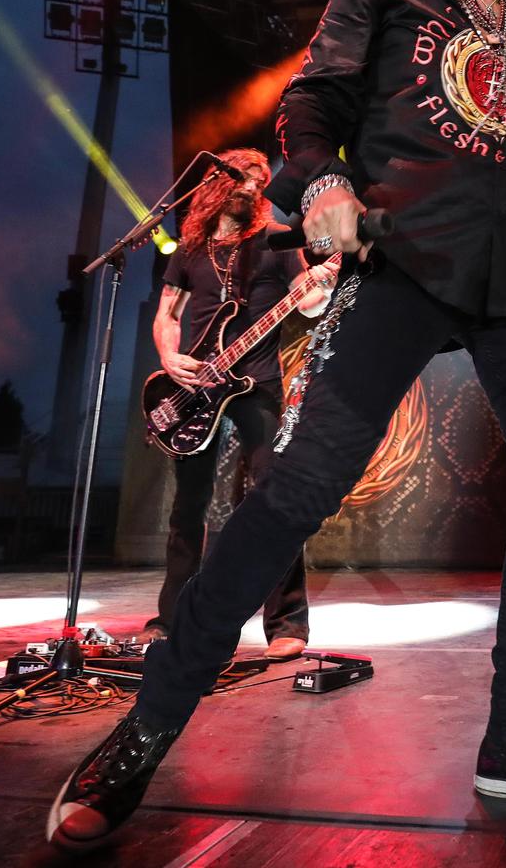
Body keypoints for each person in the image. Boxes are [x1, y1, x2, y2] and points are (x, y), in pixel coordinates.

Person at [49, 0, 506, 851]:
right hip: (402, 260)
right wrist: (320, 183)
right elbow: (311, 103)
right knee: (298, 490)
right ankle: (148, 725)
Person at [145, 147, 336, 661]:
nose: (252, 186)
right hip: (195, 389)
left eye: (259, 179)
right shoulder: (190, 249)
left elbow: (307, 302)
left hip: (257, 383)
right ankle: (171, 619)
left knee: (273, 499)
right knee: (188, 507)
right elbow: (167, 315)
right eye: (242, 177)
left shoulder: (274, 239)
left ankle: (287, 623)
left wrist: (321, 285)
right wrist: (169, 356)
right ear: (216, 183)